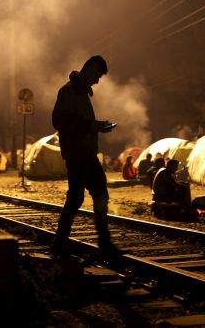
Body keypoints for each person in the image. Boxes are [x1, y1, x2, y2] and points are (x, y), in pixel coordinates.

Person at [50, 55, 121, 259]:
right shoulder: (69, 91)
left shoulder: (80, 93)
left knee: (93, 193)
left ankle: (98, 242)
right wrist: (92, 126)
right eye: (97, 75)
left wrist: (97, 126)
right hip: (77, 154)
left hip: (85, 154)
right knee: (80, 197)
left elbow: (74, 122)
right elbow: (60, 121)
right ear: (89, 68)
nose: (98, 80)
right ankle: (63, 243)